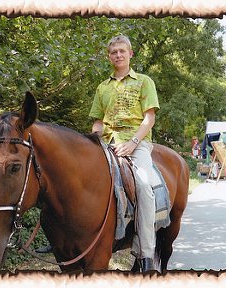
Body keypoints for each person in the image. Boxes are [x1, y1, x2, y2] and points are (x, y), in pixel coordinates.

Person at [89, 35, 160, 272]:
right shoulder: (103, 87)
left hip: (137, 142)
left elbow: (149, 117)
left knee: (143, 186)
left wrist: (133, 142)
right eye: (113, 52)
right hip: (107, 143)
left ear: (130, 54)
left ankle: (146, 254)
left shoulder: (143, 81)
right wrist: (94, 139)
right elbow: (98, 122)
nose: (117, 55)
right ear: (109, 57)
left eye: (122, 51)